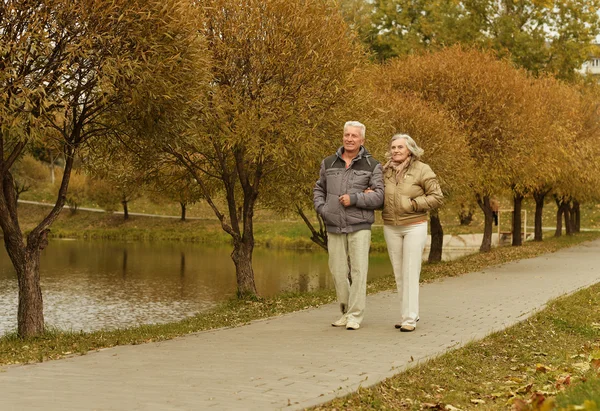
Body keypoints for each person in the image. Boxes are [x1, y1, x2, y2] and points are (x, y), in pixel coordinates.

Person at [313, 121, 384, 330]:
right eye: (346, 135)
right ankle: (344, 312)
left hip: (359, 225)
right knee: (337, 270)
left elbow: (379, 196)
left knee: (359, 271)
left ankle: (355, 316)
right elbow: (319, 189)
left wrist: (354, 198)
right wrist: (322, 208)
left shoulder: (373, 165)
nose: (349, 139)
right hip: (333, 224)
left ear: (362, 140)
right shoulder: (328, 163)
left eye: (354, 136)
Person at [382, 134, 443, 332]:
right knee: (399, 274)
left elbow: (437, 197)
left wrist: (414, 204)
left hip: (414, 225)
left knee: (410, 271)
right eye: (393, 147)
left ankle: (410, 318)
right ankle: (407, 314)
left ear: (410, 149)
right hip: (391, 226)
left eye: (400, 147)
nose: (396, 150)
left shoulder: (422, 169)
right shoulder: (385, 171)